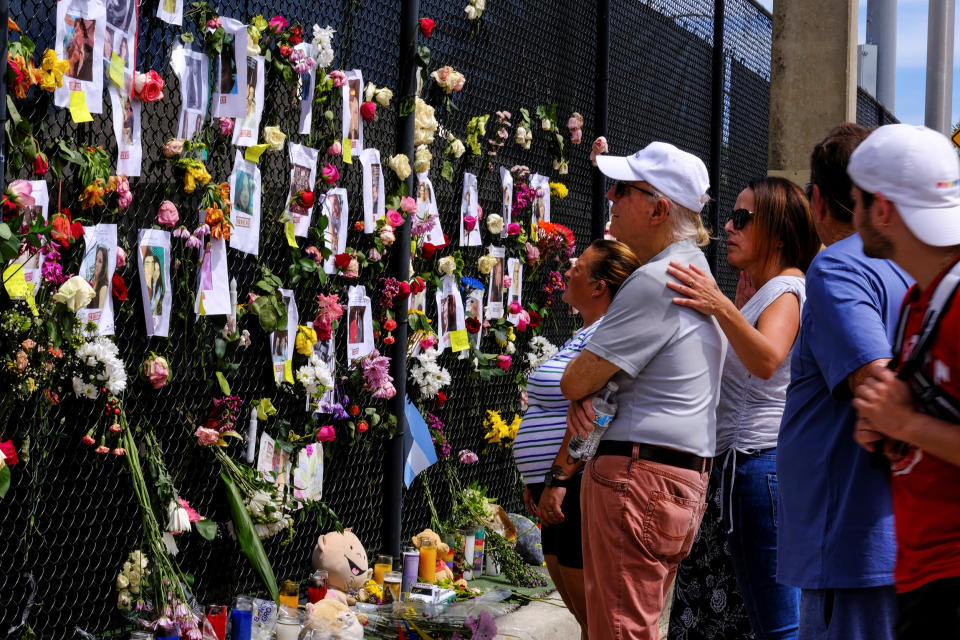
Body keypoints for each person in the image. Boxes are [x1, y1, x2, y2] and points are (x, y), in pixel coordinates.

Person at [543, 141, 727, 640]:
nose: (611, 197)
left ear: (659, 208)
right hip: (670, 478)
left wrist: (584, 398)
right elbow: (604, 387)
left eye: (624, 189)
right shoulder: (690, 272)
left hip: (637, 478)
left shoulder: (656, 279)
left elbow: (575, 379)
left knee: (619, 631)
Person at [667, 177, 820, 639]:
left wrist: (721, 308)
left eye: (742, 218)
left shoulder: (789, 289)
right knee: (734, 619)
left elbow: (768, 360)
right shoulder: (768, 292)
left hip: (755, 468)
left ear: (776, 230)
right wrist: (735, 309)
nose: (728, 228)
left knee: (775, 626)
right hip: (742, 472)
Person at [776, 123, 912, 640]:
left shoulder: (839, 268)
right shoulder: (915, 268)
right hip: (893, 543)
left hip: (856, 550)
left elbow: (877, 384)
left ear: (816, 200)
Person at [846, 124, 960, 639]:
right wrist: (892, 432)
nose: (852, 216)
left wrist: (905, 422)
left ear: (883, 209)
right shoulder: (922, 299)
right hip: (925, 576)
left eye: (856, 202)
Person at [515, 239, 641, 637]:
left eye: (579, 266)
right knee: (586, 618)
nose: (569, 269)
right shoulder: (584, 334)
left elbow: (597, 416)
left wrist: (558, 478)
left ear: (599, 286)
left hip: (573, 487)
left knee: (598, 619)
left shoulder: (606, 336)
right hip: (554, 486)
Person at [66, 18, 93, 82]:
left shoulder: (91, 53)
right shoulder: (71, 53)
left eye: (76, 31)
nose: (74, 35)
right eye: (74, 32)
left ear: (83, 32)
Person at [143, 248, 165, 316]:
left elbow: (155, 309)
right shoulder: (147, 283)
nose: (156, 273)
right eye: (154, 269)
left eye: (158, 270)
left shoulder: (159, 287)